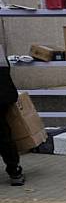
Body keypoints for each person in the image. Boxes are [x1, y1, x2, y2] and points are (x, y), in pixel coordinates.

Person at [0, 45, 24, 185]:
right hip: (3, 96)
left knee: (3, 135)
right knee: (4, 135)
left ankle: (14, 170)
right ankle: (14, 171)